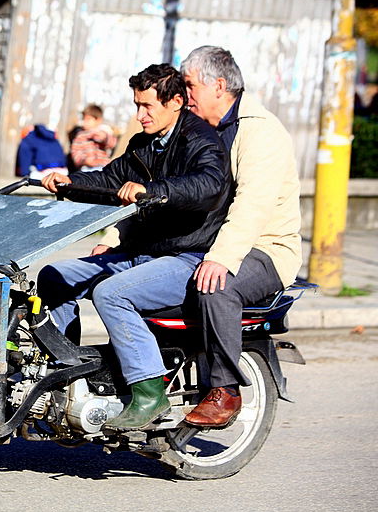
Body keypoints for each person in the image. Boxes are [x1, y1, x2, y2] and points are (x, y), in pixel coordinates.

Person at [99, 47, 303, 428]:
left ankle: (224, 389)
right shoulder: (194, 130)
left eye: (190, 84)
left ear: (219, 86)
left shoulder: (258, 130)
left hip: (265, 247)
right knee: (121, 279)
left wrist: (221, 257)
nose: (184, 92)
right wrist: (115, 237)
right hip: (202, 243)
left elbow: (252, 205)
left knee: (216, 285)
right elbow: (154, 188)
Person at [36, 63, 232, 431]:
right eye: (136, 105)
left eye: (147, 107)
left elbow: (207, 185)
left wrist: (152, 191)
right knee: (54, 275)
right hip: (139, 253)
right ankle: (64, 371)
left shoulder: (201, 140)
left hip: (185, 256)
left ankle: (149, 393)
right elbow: (108, 179)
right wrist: (67, 183)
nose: (140, 115)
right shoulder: (143, 144)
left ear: (176, 101)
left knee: (111, 294)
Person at [69, 104, 117, 171]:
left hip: (104, 166)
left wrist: (105, 138)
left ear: (98, 120)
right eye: (84, 119)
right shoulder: (80, 136)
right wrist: (85, 161)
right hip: (87, 168)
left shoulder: (103, 132)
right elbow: (75, 153)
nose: (85, 122)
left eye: (88, 119)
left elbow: (113, 144)